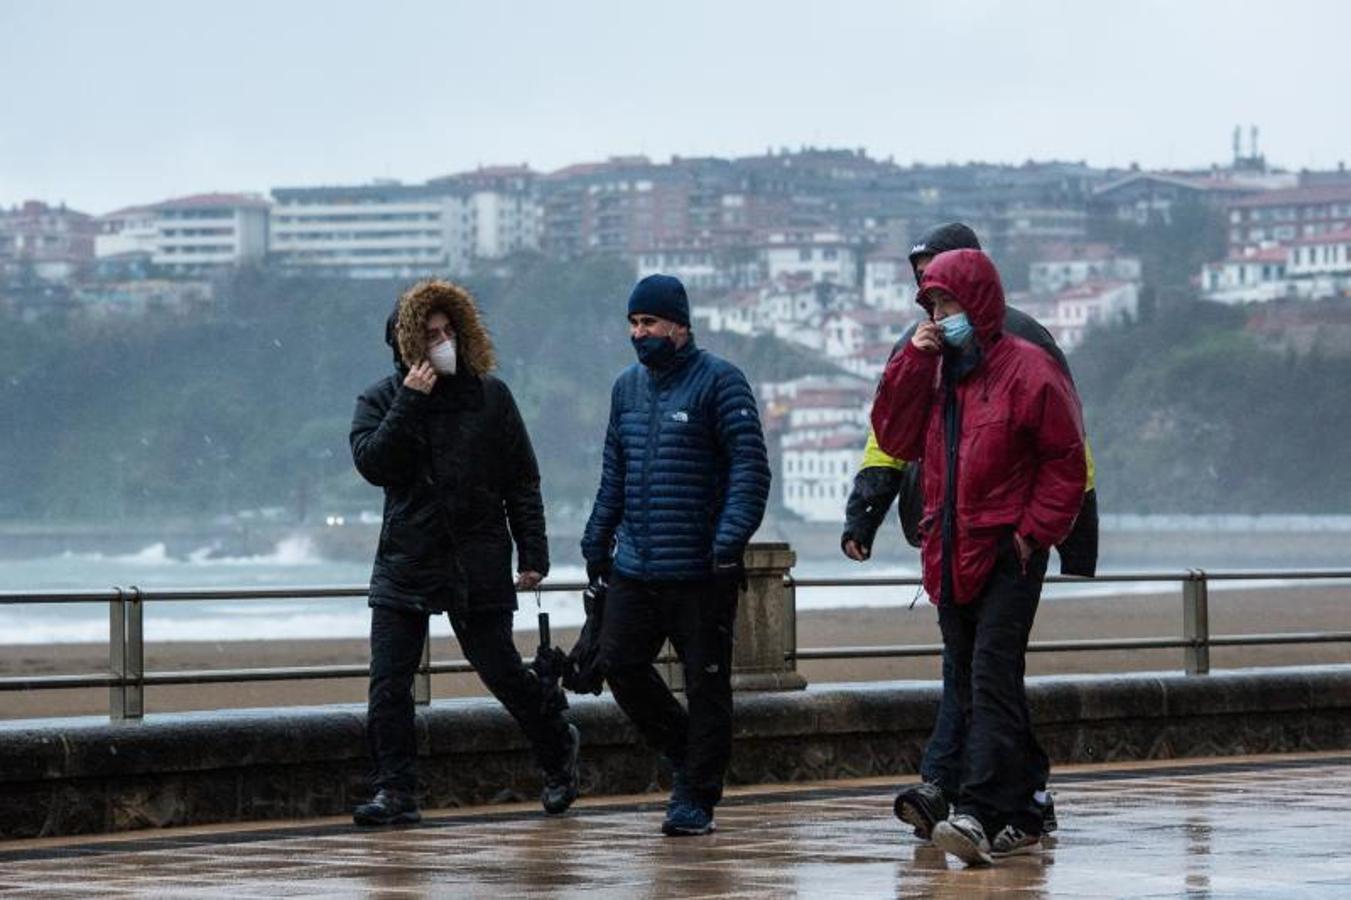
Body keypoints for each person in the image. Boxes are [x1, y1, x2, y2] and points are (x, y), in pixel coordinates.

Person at [841, 223, 1097, 841]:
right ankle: (1027, 800)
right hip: (948, 543)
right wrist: (865, 512)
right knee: (988, 677)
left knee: (984, 677)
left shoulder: (1029, 352)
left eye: (943, 289)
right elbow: (892, 438)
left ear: (975, 281)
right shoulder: (927, 355)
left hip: (1007, 545)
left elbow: (1069, 454)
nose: (934, 302)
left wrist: (1049, 536)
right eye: (926, 292)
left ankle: (969, 803)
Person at [349, 279, 579, 826]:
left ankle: (557, 748)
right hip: (407, 556)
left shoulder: (490, 396)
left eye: (450, 331)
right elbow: (374, 464)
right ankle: (395, 791)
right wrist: (411, 399)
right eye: (430, 335)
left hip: (477, 555)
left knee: (501, 671)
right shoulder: (380, 399)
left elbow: (522, 478)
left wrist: (533, 553)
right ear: (407, 345)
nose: (443, 342)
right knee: (389, 682)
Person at [581, 273, 771, 837]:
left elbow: (750, 469)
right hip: (636, 566)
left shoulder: (722, 383)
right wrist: (597, 538)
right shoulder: (625, 389)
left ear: (679, 326)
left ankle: (695, 797)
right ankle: (688, 753)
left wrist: (727, 540)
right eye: (634, 324)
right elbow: (614, 468)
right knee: (619, 665)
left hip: (700, 571)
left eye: (651, 324)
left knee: (707, 684)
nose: (641, 334)